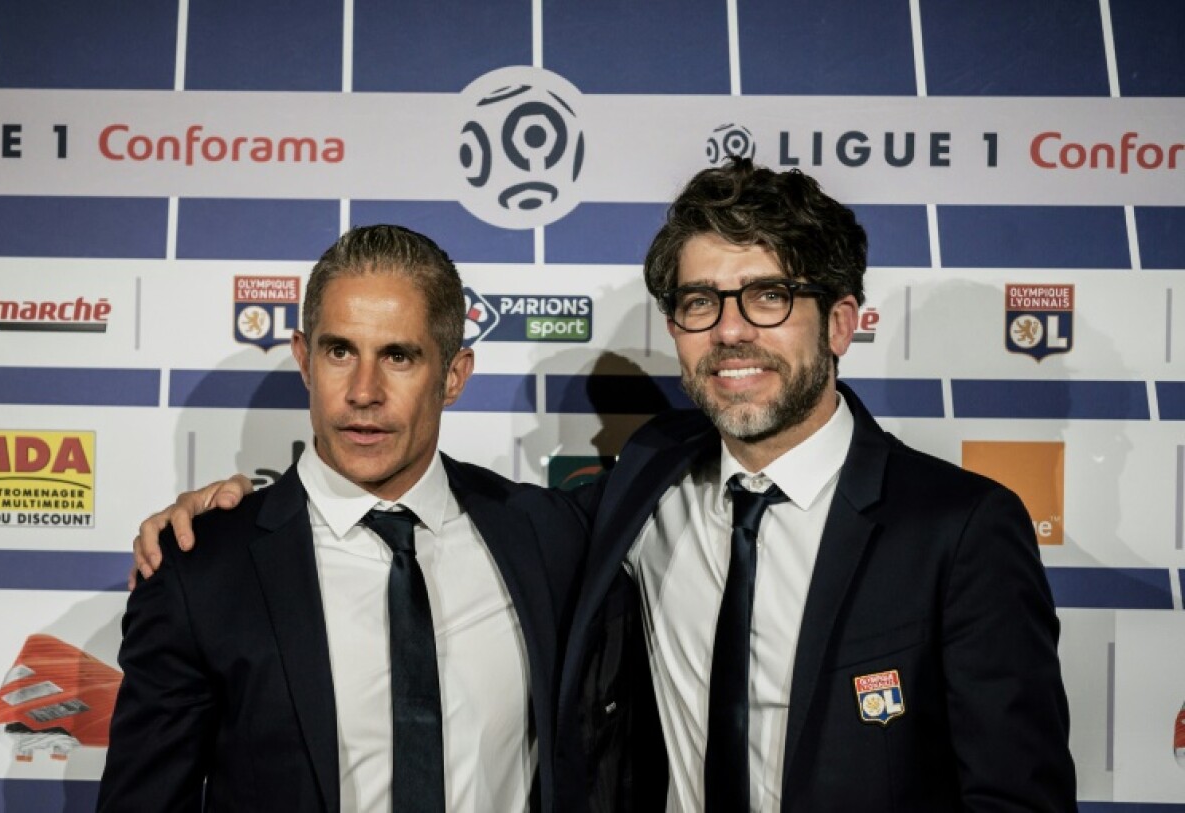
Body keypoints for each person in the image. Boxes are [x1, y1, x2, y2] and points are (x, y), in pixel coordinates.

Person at [133, 160, 1077, 812]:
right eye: (703, 302)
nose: (733, 330)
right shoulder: (636, 492)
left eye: (768, 296)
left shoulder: (959, 529)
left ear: (840, 321)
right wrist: (223, 514)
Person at [99, 225, 588, 813]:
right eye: (340, 352)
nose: (363, 392)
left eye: (398, 356)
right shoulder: (199, 572)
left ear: (454, 376)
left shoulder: (546, 535)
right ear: (304, 360)